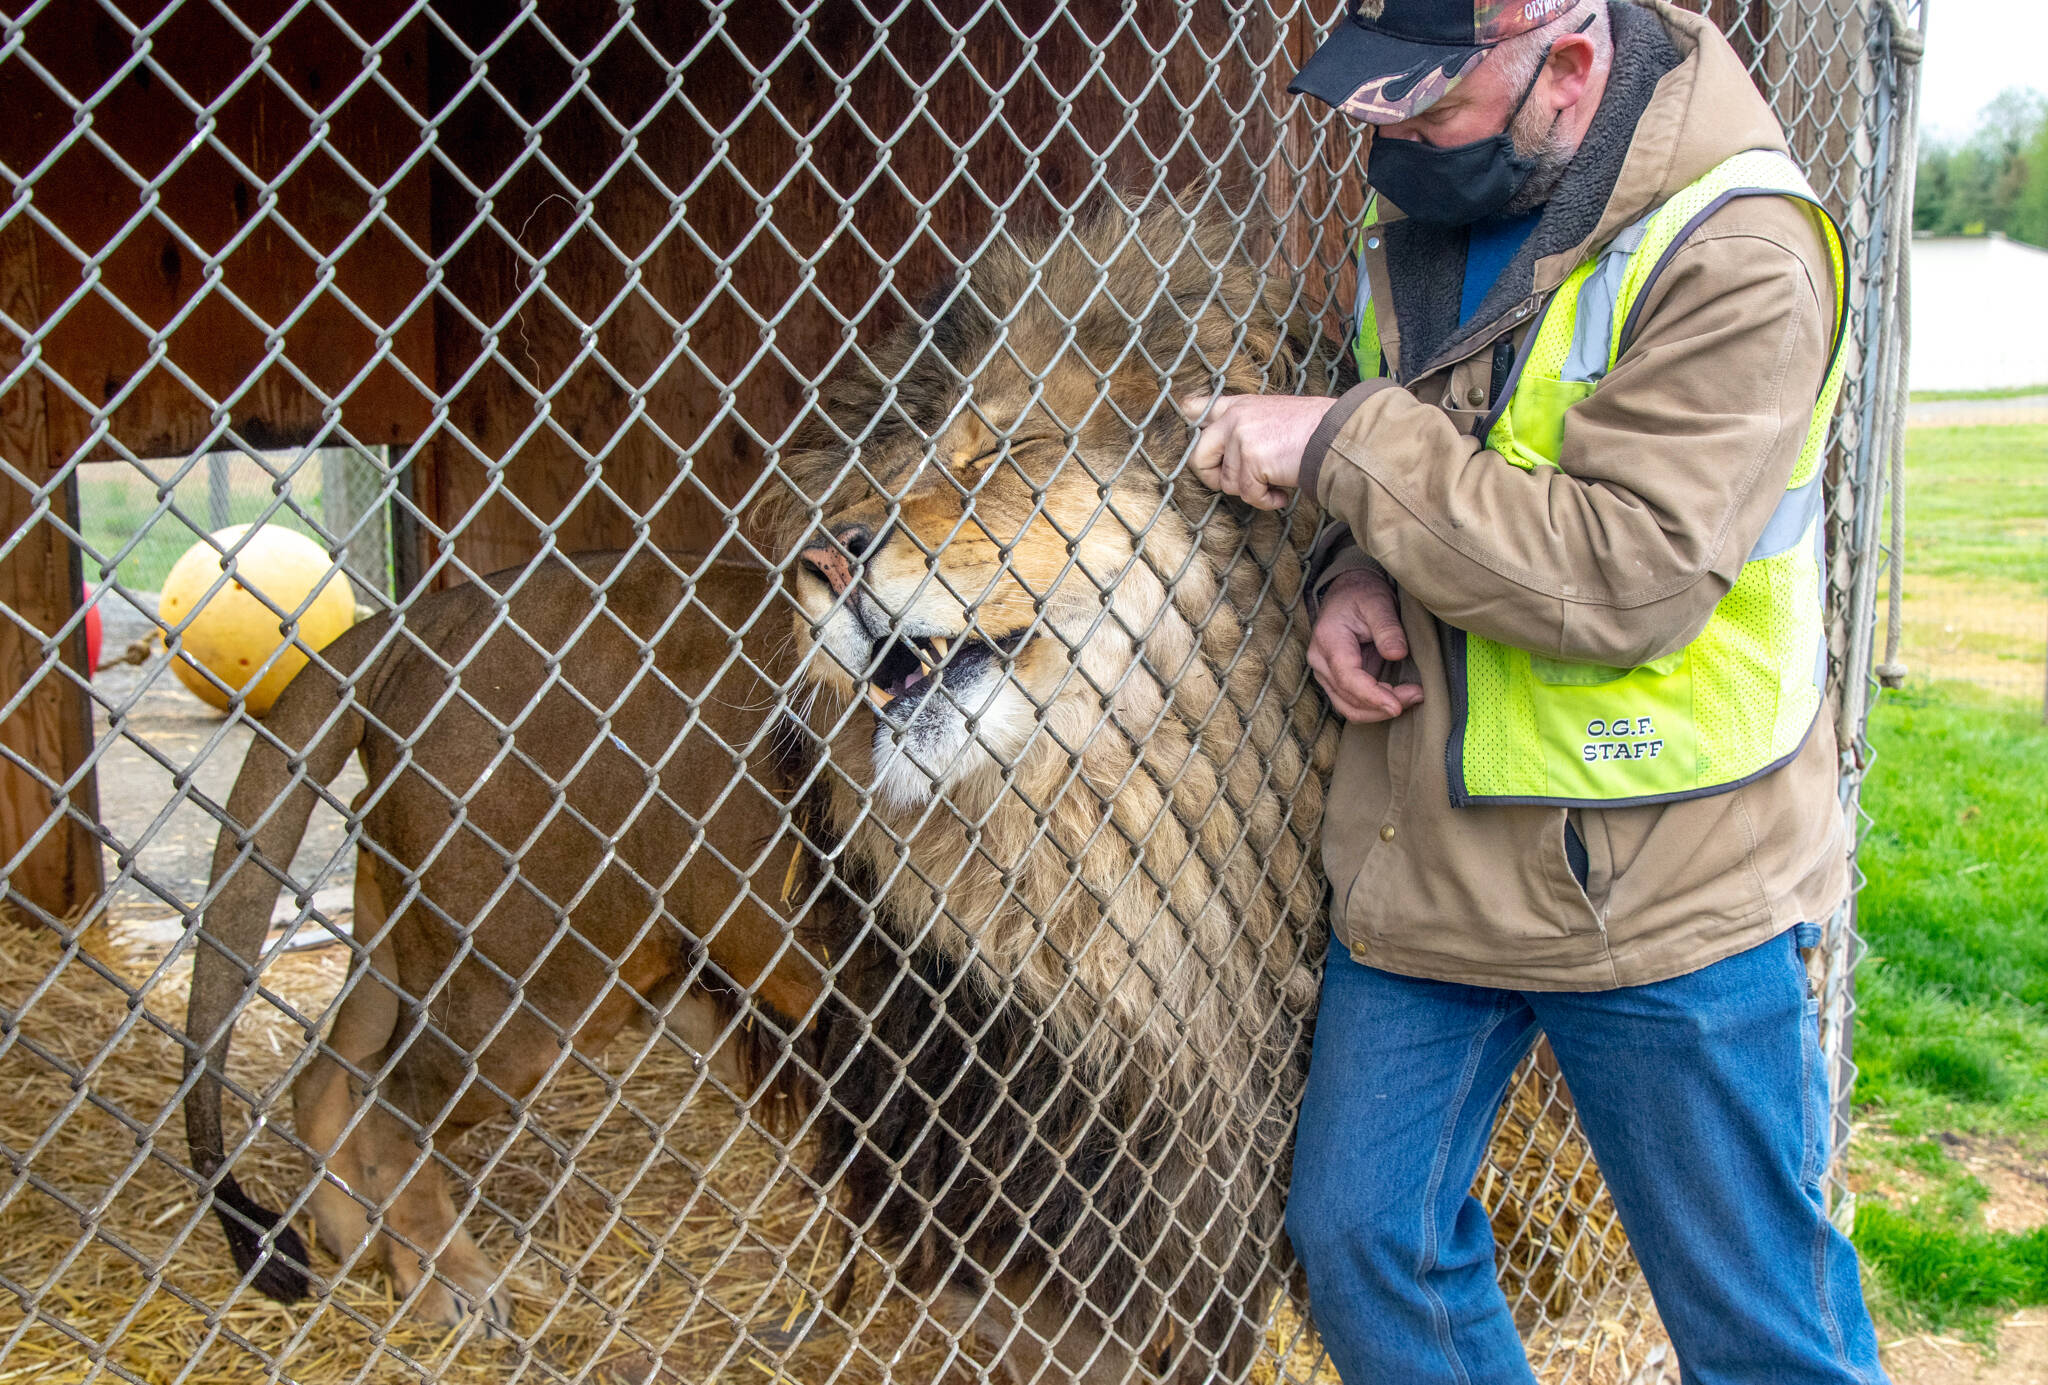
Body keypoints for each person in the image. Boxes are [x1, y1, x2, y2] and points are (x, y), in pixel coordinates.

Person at [1182, 1, 1892, 1381]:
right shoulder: (1459, 186)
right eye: (1371, 101)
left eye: (1424, 103)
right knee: (1366, 1243)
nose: (1384, 136)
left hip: (1659, 873)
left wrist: (1337, 452)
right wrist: (1345, 574)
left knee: (1761, 1329)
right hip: (1430, 847)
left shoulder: (1739, 244)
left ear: (1568, 68)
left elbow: (1625, 578)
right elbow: (1409, 440)